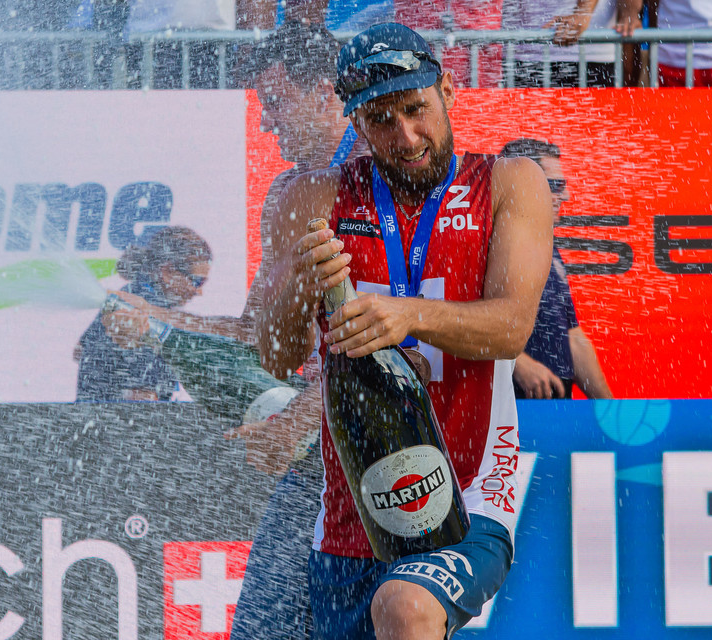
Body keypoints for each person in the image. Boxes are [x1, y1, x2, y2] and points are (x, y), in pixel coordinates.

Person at [256, 22, 553, 639]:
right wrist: (300, 281)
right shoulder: (312, 197)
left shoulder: (509, 181)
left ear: (448, 91)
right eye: (381, 120)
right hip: (351, 516)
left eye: (417, 109)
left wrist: (407, 314)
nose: (406, 136)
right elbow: (276, 356)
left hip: (468, 499)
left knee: (406, 608)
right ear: (357, 125)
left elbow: (510, 330)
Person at [100, 20, 366, 638]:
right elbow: (258, 336)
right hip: (323, 452)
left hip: (387, 448)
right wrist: (155, 320)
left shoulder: (376, 179)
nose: (266, 122)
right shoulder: (289, 191)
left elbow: (396, 344)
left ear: (323, 92)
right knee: (264, 627)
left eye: (275, 102)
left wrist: (296, 420)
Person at [499, 139, 612, 400]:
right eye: (555, 186)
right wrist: (516, 363)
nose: (566, 196)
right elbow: (458, 321)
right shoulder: (485, 243)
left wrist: (608, 409)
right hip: (507, 407)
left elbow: (572, 337)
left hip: (553, 405)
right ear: (520, 184)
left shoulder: (546, 244)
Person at [76, 225, 211, 401]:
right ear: (167, 272)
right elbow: (143, 399)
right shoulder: (146, 311)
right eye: (197, 281)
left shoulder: (130, 293)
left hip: (93, 413)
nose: (199, 291)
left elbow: (79, 350)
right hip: (119, 416)